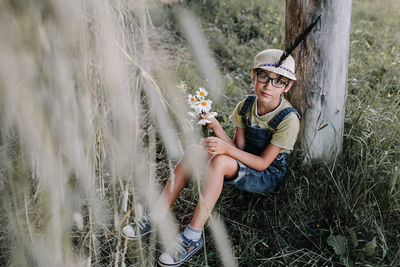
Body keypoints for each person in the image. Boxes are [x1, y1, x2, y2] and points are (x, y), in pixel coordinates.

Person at [122, 49, 301, 266]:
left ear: (288, 86)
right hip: (242, 161)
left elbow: (263, 164)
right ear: (254, 74)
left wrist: (225, 151)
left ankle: (192, 237)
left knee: (220, 160)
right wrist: (216, 127)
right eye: (264, 77)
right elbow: (237, 147)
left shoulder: (288, 119)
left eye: (278, 82)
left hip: (266, 175)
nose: (268, 86)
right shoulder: (246, 106)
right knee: (195, 151)